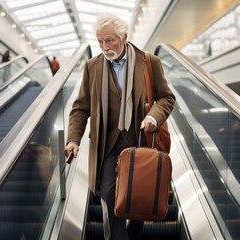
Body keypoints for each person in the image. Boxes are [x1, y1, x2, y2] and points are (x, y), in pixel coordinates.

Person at [63, 13, 175, 240]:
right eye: (100, 41)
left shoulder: (149, 63)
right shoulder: (91, 67)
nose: (104, 47)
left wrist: (153, 117)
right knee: (107, 193)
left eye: (110, 40)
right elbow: (81, 108)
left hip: (140, 142)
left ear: (124, 37)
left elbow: (166, 98)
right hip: (106, 145)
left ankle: (134, 230)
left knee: (139, 195)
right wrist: (73, 139)